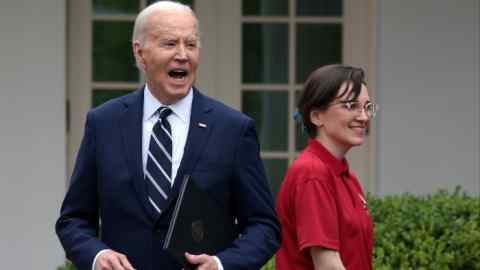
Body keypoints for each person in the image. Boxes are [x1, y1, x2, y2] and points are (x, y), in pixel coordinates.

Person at [55, 2, 280, 270]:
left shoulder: (232, 129)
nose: (183, 55)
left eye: (191, 44)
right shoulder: (103, 123)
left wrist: (221, 264)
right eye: (170, 44)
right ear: (140, 54)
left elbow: (264, 227)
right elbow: (73, 221)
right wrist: (96, 256)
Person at [275, 64, 376, 270]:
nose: (364, 117)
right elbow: (327, 265)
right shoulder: (312, 173)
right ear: (316, 116)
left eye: (367, 107)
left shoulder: (345, 176)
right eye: (350, 106)